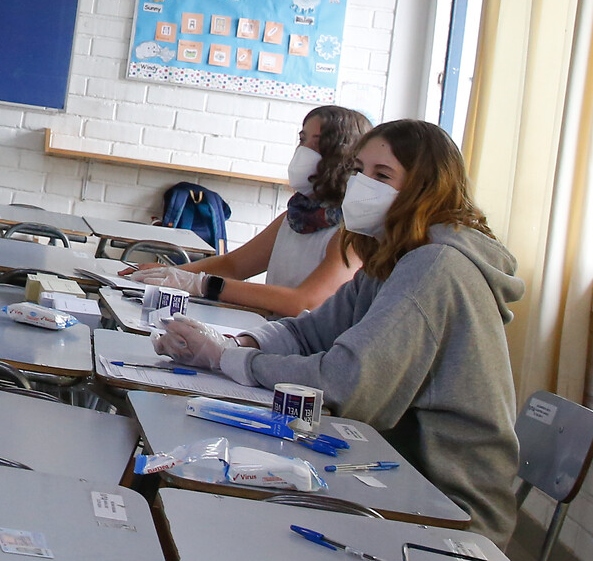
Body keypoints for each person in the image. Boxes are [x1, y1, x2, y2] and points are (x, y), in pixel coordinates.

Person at [153, 119, 523, 548]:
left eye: (382, 176)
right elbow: (312, 330)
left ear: (425, 189)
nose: (364, 185)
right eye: (360, 171)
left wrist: (224, 360)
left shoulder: (435, 267)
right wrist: (238, 343)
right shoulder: (398, 254)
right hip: (386, 465)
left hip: (441, 501)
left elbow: (343, 384)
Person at [123, 105, 371, 317]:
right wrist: (168, 273)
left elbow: (305, 303)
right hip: (273, 336)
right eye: (302, 140)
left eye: (316, 145)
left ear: (343, 157)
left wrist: (204, 284)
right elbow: (233, 265)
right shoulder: (294, 217)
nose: (302, 151)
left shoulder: (350, 232)